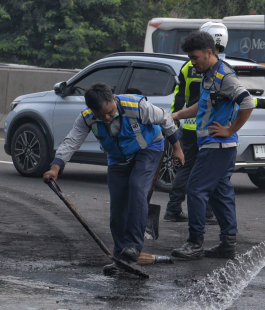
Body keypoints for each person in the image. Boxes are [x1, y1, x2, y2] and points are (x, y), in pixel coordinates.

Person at [43, 83, 184, 264]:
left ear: (114, 100)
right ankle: (120, 254)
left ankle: (133, 246)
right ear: (92, 111)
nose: (107, 118)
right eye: (101, 116)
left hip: (148, 149)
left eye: (110, 112)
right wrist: (55, 167)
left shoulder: (137, 107)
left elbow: (165, 119)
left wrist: (177, 148)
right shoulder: (87, 118)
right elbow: (72, 141)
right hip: (117, 157)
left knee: (137, 187)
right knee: (118, 205)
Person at [170, 31, 256, 260]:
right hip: (220, 147)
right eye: (190, 57)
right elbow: (203, 104)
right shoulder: (210, 74)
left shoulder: (224, 77)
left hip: (217, 145)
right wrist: (178, 114)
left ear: (209, 52)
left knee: (195, 189)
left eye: (195, 57)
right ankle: (228, 244)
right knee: (220, 193)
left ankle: (195, 243)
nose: (192, 62)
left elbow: (247, 101)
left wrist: (230, 129)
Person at [164, 22, 229, 225]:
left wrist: (175, 117)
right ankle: (207, 213)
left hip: (188, 126)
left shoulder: (187, 67)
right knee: (209, 171)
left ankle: (174, 208)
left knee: (186, 168)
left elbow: (179, 95)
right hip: (208, 126)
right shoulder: (219, 68)